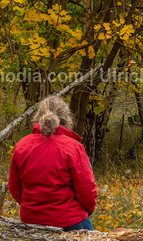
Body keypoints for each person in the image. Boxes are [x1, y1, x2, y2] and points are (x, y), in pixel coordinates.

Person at [8, 95, 97, 231]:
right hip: (69, 221)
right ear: (66, 119)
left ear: (38, 116)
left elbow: (14, 187)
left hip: (31, 220)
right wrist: (85, 212)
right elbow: (87, 190)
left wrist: (33, 208)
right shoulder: (73, 147)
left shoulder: (22, 145)